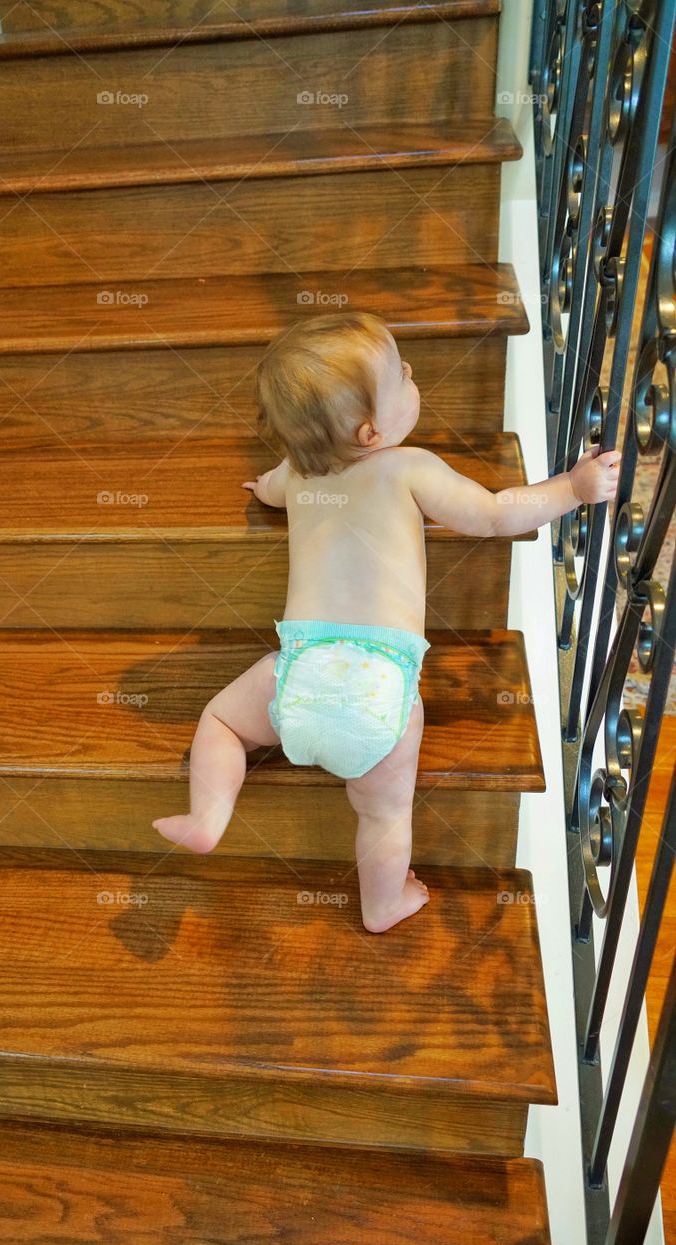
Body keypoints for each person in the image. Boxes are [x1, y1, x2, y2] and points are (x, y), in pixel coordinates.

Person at [153, 312, 620, 932]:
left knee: (220, 720)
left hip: (298, 673)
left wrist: (263, 487)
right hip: (381, 688)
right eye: (401, 374)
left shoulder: (298, 476)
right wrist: (572, 486)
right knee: (383, 815)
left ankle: (209, 814)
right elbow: (494, 514)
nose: (411, 372)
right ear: (372, 433)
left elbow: (269, 485)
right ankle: (383, 903)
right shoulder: (410, 467)